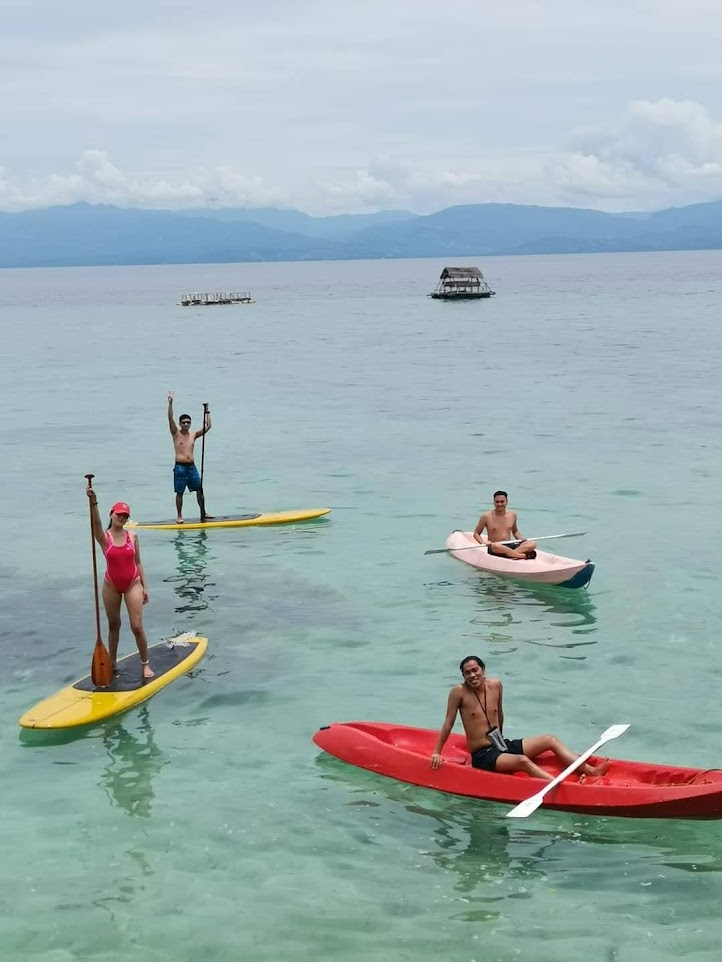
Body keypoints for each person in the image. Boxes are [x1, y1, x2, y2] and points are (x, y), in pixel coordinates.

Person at [430, 656, 610, 779]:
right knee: (523, 761)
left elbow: (499, 714)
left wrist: (502, 746)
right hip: (482, 755)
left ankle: (590, 771)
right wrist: (437, 752)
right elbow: (448, 724)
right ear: (463, 676)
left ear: (483, 670)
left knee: (550, 740)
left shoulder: (496, 685)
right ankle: (558, 784)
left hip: (500, 745)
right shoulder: (458, 692)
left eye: (475, 670)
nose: (472, 675)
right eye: (467, 673)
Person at [86, 487, 154, 679]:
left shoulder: (132, 536)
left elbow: (138, 561)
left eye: (125, 516)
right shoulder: (104, 538)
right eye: (119, 514)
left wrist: (145, 587)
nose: (122, 518)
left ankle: (145, 664)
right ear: (112, 514)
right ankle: (113, 663)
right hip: (111, 585)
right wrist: (93, 501)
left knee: (136, 627)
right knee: (114, 625)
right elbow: (95, 523)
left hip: (133, 583)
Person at [167, 392, 213, 523]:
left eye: (188, 422)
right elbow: (170, 419)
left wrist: (207, 411)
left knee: (199, 489)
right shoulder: (176, 433)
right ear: (180, 423)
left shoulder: (193, 435)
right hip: (180, 467)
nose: (186, 424)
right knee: (180, 492)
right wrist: (170, 403)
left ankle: (203, 512)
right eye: (184, 422)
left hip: (191, 467)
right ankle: (179, 515)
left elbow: (208, 427)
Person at [473, 490, 537, 560]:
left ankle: (510, 555)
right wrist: (483, 543)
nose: (500, 504)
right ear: (493, 502)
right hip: (495, 547)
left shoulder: (512, 515)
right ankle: (522, 556)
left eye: (502, 501)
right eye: (497, 502)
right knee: (496, 546)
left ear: (507, 502)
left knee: (532, 543)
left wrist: (519, 538)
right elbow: (476, 533)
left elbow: (515, 531)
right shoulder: (486, 516)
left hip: (510, 545)